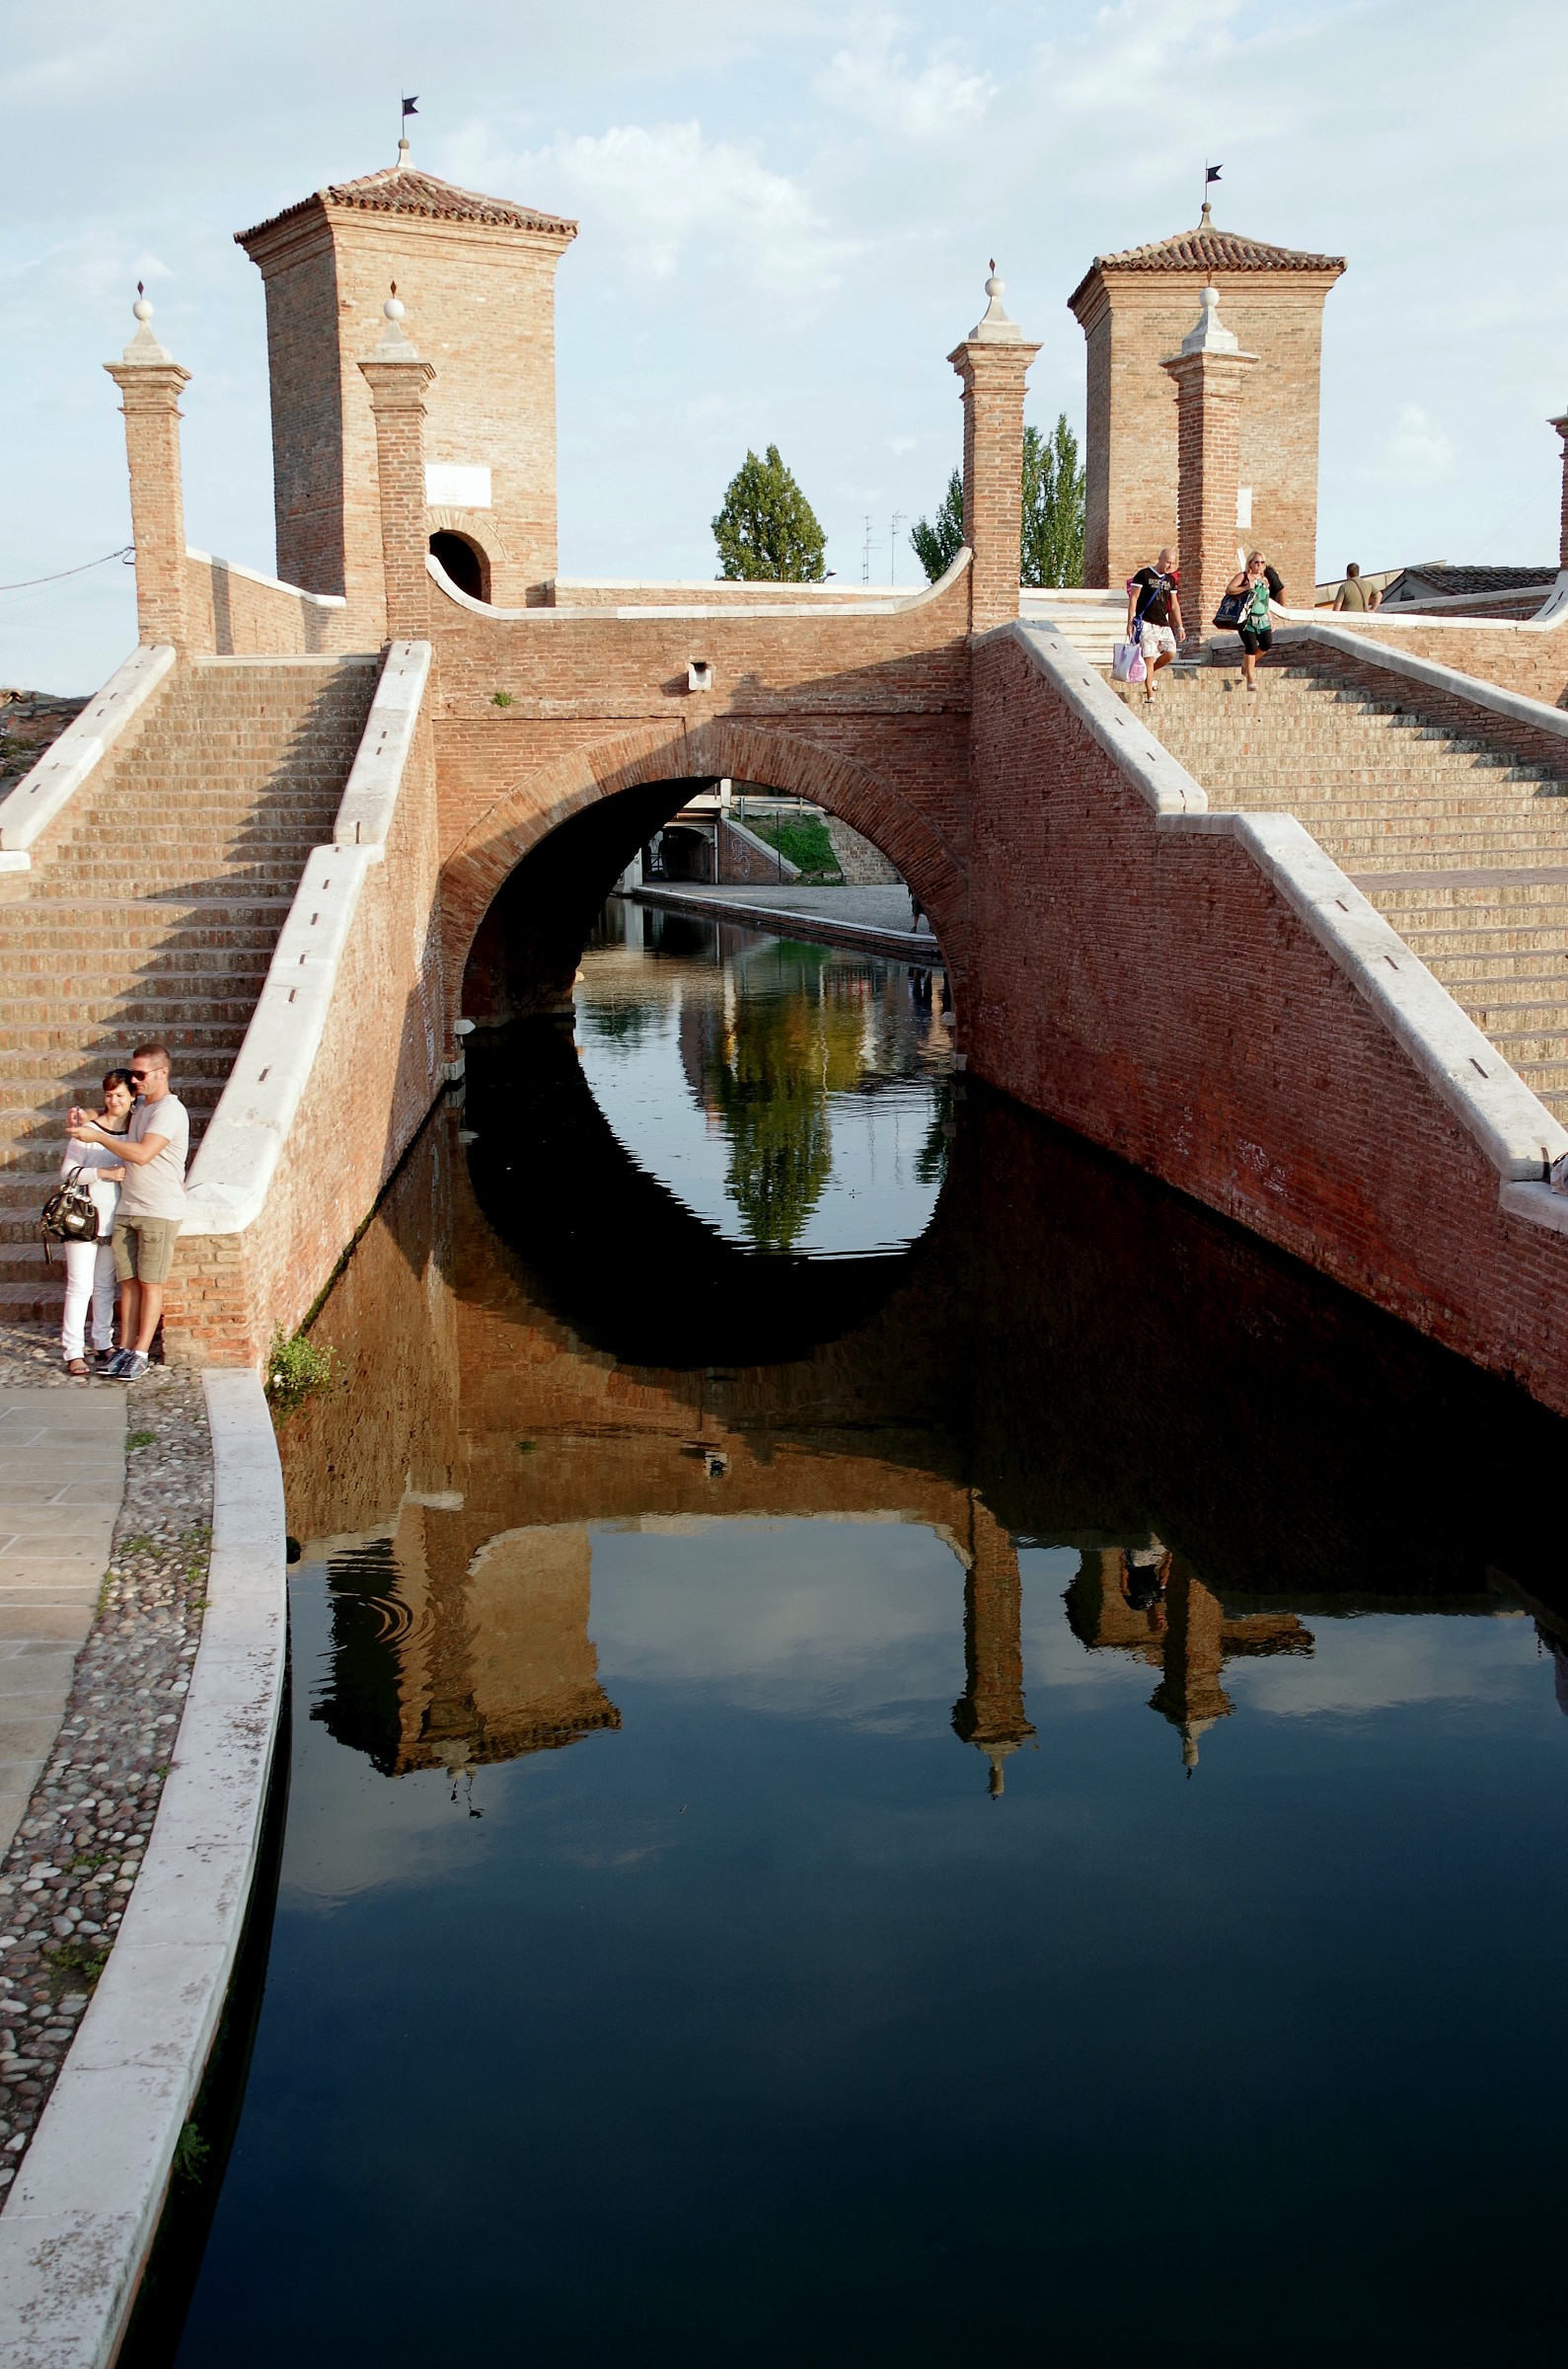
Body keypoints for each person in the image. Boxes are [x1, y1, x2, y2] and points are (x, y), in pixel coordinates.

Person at [67, 1041, 189, 1381]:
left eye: (139, 1075)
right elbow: (111, 1117)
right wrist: (88, 1117)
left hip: (157, 1210)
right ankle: (123, 1348)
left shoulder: (169, 1110)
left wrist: (98, 1137)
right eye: (132, 1075)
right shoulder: (141, 1109)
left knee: (151, 1282)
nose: (134, 1081)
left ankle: (140, 1352)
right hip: (129, 1206)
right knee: (130, 1283)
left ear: (161, 1073)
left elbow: (142, 1153)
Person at [58, 1068, 132, 1378]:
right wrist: (102, 1173)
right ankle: (73, 1350)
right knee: (80, 1286)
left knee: (104, 1286)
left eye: (120, 1095)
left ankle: (103, 1341)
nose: (114, 1101)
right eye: (109, 1095)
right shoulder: (88, 1129)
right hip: (84, 1218)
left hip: (117, 1217)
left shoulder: (136, 1129)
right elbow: (67, 1174)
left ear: (132, 1097)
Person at [1126, 549, 1184, 701]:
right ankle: (1150, 694)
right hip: (1146, 621)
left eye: (1172, 563)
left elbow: (1175, 605)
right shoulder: (1144, 575)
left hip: (1162, 623)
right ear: (1160, 559)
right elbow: (1134, 598)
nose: (1170, 566)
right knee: (1149, 657)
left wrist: (1180, 626)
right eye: (1168, 562)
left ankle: (1148, 675)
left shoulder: (1170, 580)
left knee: (1170, 652)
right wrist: (1130, 621)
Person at [1225, 550, 1279, 691]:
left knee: (1266, 644)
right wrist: (1246, 587)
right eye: (1256, 562)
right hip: (1246, 617)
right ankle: (1250, 677)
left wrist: (1269, 617)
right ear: (1250, 564)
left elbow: (1265, 601)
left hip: (1262, 617)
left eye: (1262, 562)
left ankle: (1246, 665)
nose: (1259, 565)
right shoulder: (1244, 577)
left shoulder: (1265, 580)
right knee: (1251, 646)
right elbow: (1229, 589)